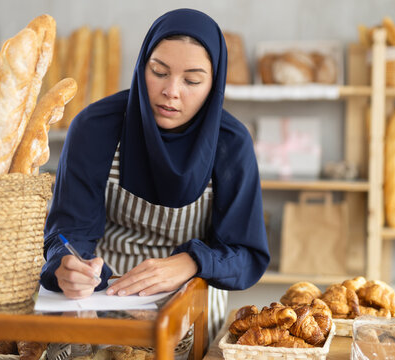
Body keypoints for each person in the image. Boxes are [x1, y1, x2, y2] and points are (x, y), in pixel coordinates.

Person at [40, 8, 270, 340]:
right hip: (99, 300)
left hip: (193, 309)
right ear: (142, 65)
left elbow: (247, 255)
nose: (171, 91)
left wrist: (192, 261)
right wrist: (67, 265)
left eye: (192, 80)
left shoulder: (230, 143)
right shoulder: (95, 127)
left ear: (215, 82)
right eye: (159, 72)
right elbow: (67, 232)